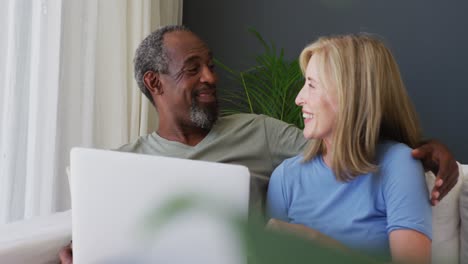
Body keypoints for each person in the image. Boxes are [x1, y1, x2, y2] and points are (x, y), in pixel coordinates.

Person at [59, 25, 459, 263]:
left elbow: (352, 141)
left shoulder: (262, 134)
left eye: (211, 66)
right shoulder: (121, 165)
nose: (212, 79)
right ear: (155, 83)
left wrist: (422, 147)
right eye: (193, 69)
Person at [266, 34, 434, 263]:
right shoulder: (285, 178)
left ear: (350, 95)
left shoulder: (399, 164)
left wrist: (314, 241)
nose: (299, 98)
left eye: (312, 85)